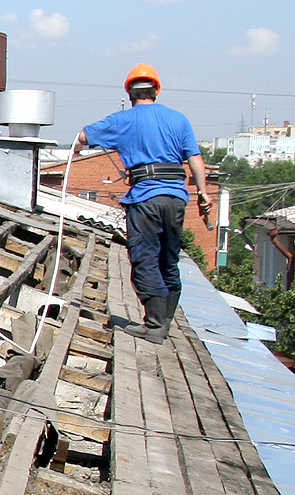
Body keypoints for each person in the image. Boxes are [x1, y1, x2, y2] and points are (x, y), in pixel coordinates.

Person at [72, 63, 211, 344]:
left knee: (144, 258)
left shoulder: (125, 120)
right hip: (175, 198)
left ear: (130, 92)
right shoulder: (179, 120)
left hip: (145, 198)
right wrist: (204, 193)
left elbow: (84, 136)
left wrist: (76, 147)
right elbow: (195, 159)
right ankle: (164, 322)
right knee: (168, 260)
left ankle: (155, 326)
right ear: (156, 90)